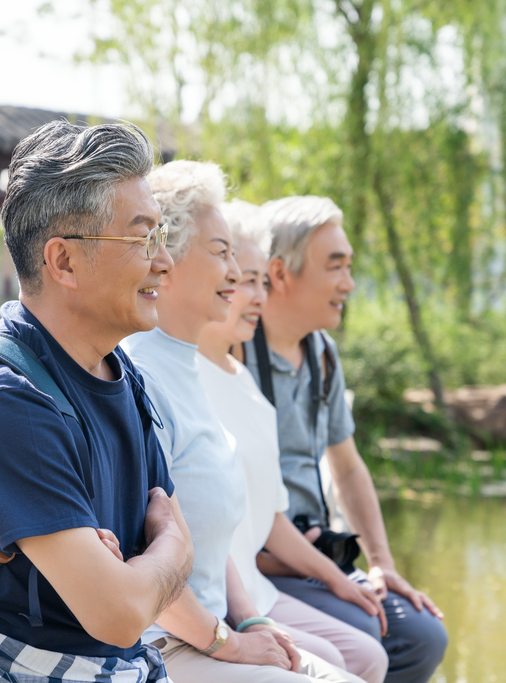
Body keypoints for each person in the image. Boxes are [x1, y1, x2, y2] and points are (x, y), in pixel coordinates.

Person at [0, 120, 193, 683]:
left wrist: (146, 568)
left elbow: (134, 591)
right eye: (143, 238)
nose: (164, 262)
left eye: (162, 237)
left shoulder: (119, 372)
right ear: (63, 261)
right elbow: (121, 612)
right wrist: (173, 549)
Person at [123, 161, 361, 683]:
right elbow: (141, 561)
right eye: (221, 253)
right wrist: (231, 643)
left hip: (212, 626)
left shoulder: (187, 368)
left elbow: (206, 541)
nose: (235, 274)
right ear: (168, 257)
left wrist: (250, 616)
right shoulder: (140, 374)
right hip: (163, 644)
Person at [241, 196, 448, 683]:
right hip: (259, 561)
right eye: (336, 267)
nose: (348, 284)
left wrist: (381, 564)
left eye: (350, 267)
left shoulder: (322, 353)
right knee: (369, 632)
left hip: (315, 553)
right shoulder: (233, 349)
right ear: (280, 271)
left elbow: (348, 466)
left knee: (423, 635)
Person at [196, 199, 389, 683]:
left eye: (258, 281)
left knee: (389, 641)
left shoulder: (267, 375)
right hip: (231, 585)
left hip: (273, 567)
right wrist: (236, 632)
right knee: (357, 651)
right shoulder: (197, 370)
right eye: (243, 279)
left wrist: (364, 569)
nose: (253, 295)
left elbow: (337, 471)